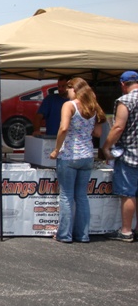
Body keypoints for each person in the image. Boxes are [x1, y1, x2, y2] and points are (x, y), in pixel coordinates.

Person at [49, 78, 106, 243]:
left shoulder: (69, 105)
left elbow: (64, 128)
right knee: (81, 196)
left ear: (73, 89)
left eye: (68, 89)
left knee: (66, 196)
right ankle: (82, 234)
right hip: (87, 155)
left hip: (69, 155)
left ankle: (64, 234)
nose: (67, 92)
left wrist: (56, 149)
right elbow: (98, 133)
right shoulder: (93, 107)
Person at [101, 70, 138, 242]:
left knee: (128, 193)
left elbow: (118, 127)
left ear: (123, 84)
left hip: (130, 154)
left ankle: (126, 231)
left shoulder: (125, 101)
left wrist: (106, 146)